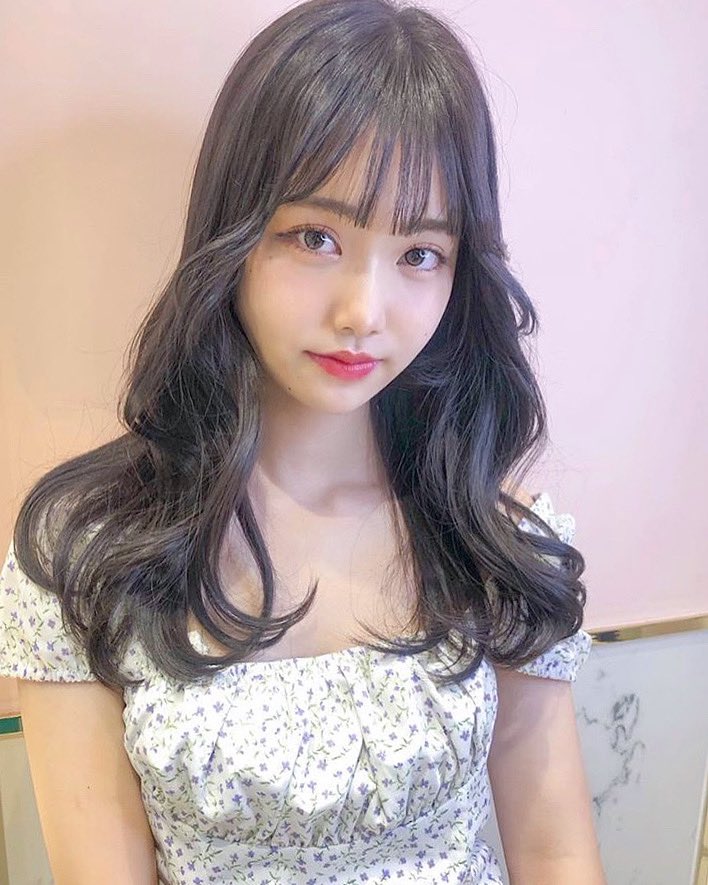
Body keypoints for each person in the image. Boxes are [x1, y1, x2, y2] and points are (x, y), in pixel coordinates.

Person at [0, 0, 606, 882]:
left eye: (420, 253)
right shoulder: (86, 554)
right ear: (235, 232)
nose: (364, 311)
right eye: (315, 237)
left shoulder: (494, 544)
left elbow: (555, 854)